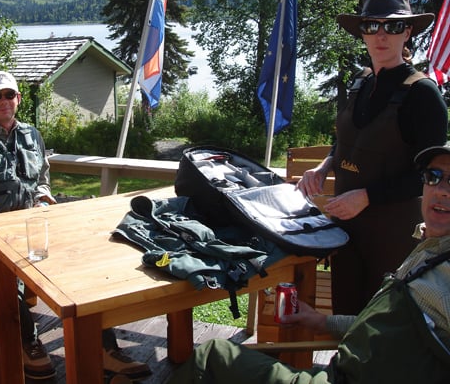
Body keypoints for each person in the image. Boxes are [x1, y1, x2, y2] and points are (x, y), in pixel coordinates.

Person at [167, 142, 450, 383]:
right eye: (433, 176)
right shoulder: (430, 247)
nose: (442, 190)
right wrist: (319, 320)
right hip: (343, 370)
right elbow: (381, 327)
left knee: (212, 356)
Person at [0, 71, 151, 381]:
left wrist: (43, 200)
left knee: (83, 263)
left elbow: (41, 180)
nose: (4, 101)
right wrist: (0, 224)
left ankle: (104, 348)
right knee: (6, 276)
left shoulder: (31, 134)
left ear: (18, 98)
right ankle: (28, 341)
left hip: (34, 224)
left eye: (9, 95)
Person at [296, 0, 448, 314]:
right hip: (345, 231)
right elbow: (346, 141)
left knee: (383, 328)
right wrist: (324, 167)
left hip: (394, 237)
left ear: (407, 32)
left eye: (392, 27)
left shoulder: (423, 95)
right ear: (362, 33)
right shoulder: (360, 83)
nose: (381, 35)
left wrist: (366, 197)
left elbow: (430, 177)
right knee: (344, 316)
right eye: (371, 26)